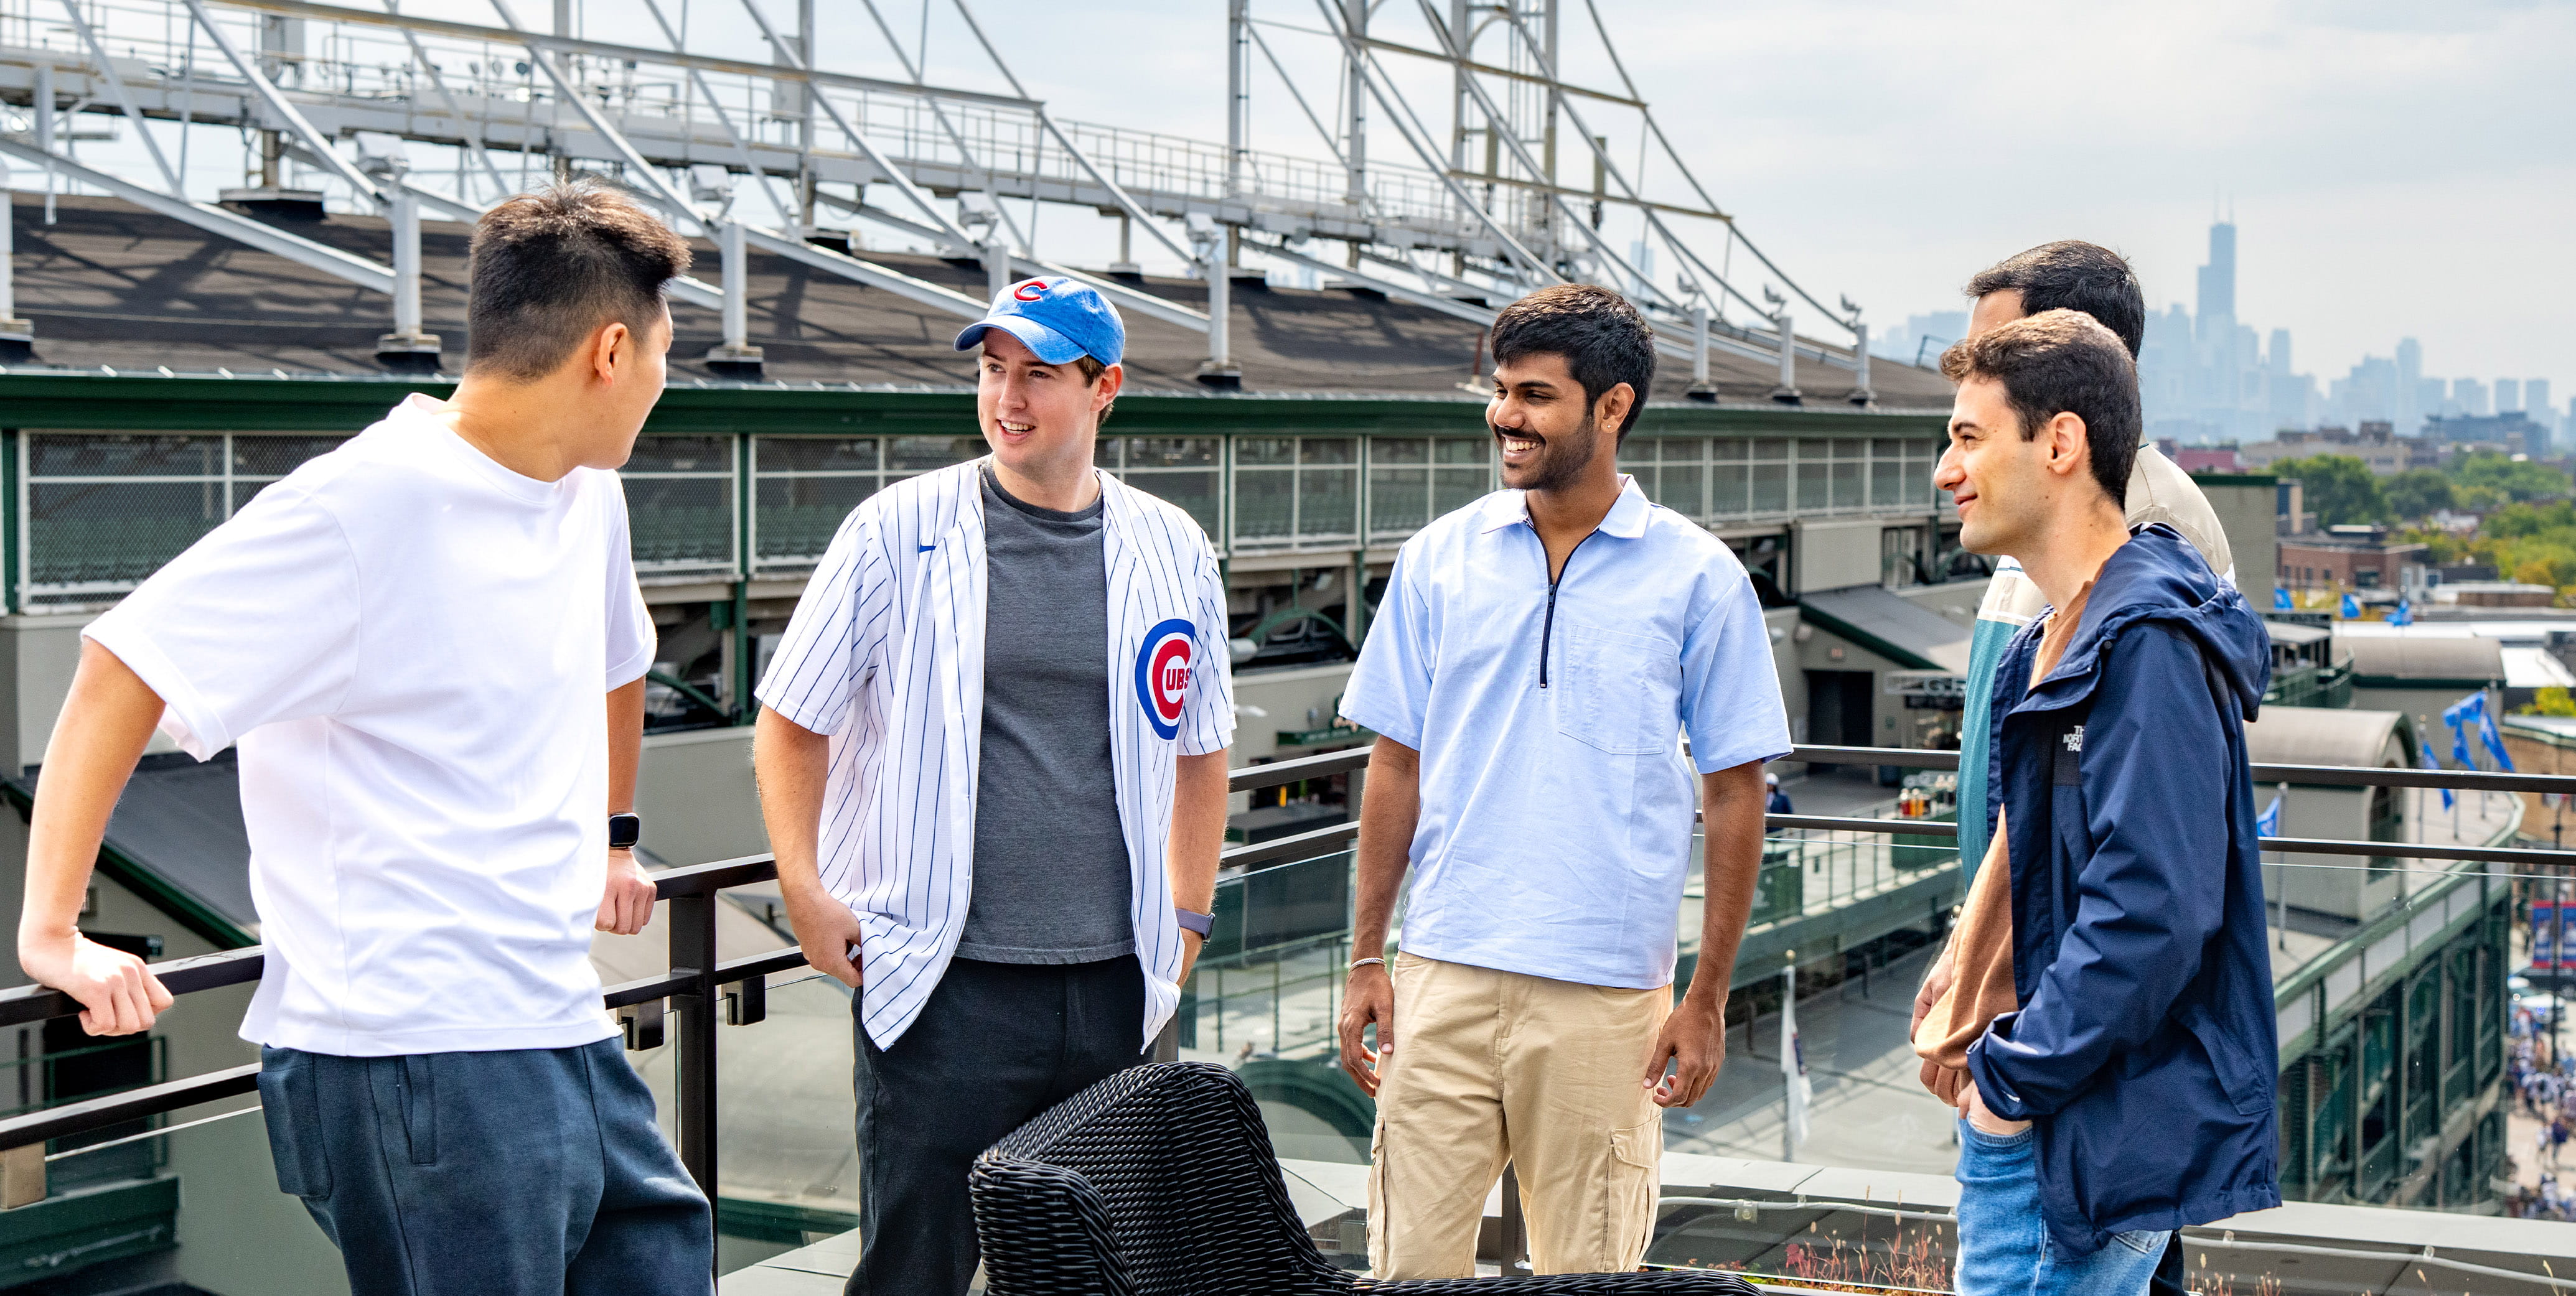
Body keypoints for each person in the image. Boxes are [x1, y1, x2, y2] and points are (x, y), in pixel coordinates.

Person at [15, 180, 709, 1293]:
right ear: (611, 351)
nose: (666, 384)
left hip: (553, 1014)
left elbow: (618, 658)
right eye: (668, 354)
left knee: (669, 1256)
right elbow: (121, 666)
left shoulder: (583, 492)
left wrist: (615, 839)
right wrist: (52, 929)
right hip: (408, 1049)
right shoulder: (362, 504)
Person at [752, 276, 1234, 1295]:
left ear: (1105, 388)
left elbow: (1201, 747)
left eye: (1039, 376)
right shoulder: (897, 529)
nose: (1007, 399)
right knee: (915, 1267)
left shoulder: (1173, 545)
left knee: (1102, 1271)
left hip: (1118, 984)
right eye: (992, 369)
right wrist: (803, 884)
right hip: (945, 984)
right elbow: (791, 720)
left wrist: (1188, 912)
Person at [1332, 284, 1790, 1278]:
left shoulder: (1699, 578)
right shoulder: (1438, 558)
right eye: (1501, 390)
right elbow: (1394, 764)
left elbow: (1737, 791)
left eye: (1536, 394)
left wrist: (1708, 993)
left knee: (1588, 1277)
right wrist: (1369, 955)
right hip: (1441, 975)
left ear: (1612, 406)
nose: (1506, 415)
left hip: (1607, 995)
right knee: (1409, 1272)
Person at [1910, 309, 2279, 1295]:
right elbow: (2047, 867)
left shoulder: (2145, 641)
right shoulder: (2057, 638)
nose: (1946, 471)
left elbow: (2153, 905)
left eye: (1968, 438)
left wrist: (2015, 1079)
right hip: (2051, 1119)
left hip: (2073, 1130)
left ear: (2061, 443)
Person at [1944, 241, 2234, 895]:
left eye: (1998, 352)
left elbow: (2147, 856)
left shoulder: (2151, 522)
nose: (1973, 378)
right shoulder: (2038, 506)